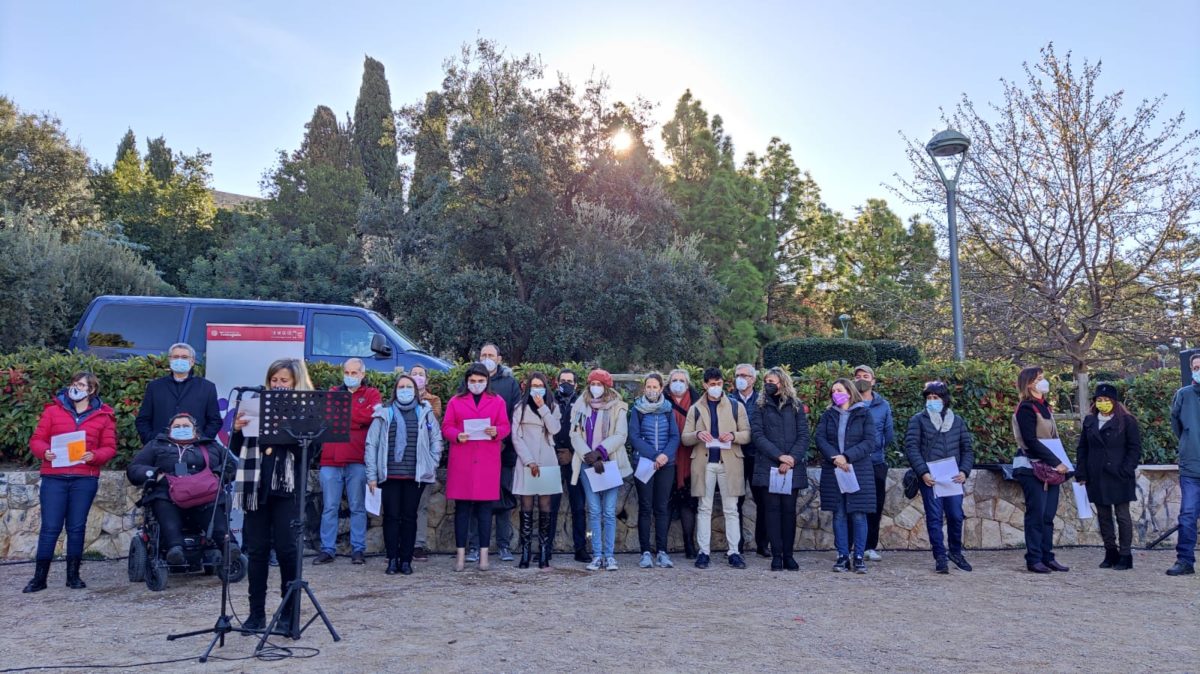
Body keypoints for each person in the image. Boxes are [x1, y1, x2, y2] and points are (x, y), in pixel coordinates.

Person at [230, 358, 315, 633]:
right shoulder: (254, 403)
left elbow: (310, 455)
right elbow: (237, 446)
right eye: (274, 380)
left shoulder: (306, 410)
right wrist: (237, 430)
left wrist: (292, 430)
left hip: (287, 491)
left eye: (284, 381)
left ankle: (288, 614)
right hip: (256, 487)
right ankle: (256, 615)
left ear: (295, 383)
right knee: (256, 551)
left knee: (288, 550)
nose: (278, 385)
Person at [24, 372, 117, 593]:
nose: (77, 388)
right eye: (74, 384)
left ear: (92, 390)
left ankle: (73, 576)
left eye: (82, 385)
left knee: (76, 527)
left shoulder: (104, 416)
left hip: (84, 478)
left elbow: (110, 447)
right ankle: (39, 578)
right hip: (54, 476)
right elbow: (37, 439)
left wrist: (94, 456)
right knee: (50, 528)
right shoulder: (52, 411)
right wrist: (44, 452)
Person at [127, 413, 232, 566]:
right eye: (177, 426)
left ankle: (229, 546)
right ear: (169, 430)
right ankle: (175, 548)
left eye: (185, 426)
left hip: (203, 493)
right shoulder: (156, 445)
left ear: (195, 431)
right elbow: (134, 469)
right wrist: (154, 474)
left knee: (213, 507)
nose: (181, 429)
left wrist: (217, 474)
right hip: (167, 494)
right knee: (163, 505)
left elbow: (231, 465)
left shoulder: (209, 446)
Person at [365, 374, 442, 575]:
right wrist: (372, 475)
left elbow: (436, 440)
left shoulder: (424, 413)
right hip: (389, 476)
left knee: (409, 518)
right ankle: (392, 559)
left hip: (414, 477)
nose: (405, 390)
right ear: (395, 390)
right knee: (390, 518)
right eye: (401, 386)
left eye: (409, 386)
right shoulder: (384, 413)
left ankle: (406, 561)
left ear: (415, 391)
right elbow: (371, 444)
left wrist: (431, 465)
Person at [442, 363, 511, 571]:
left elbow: (505, 426)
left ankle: (483, 555)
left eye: (481, 381)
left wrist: (495, 431)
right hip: (463, 460)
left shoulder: (497, 401)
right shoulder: (456, 401)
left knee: (484, 511)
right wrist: (456, 435)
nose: (476, 384)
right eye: (473, 381)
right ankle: (461, 555)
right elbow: (446, 426)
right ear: (467, 381)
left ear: (487, 381)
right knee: (462, 510)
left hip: (487, 461)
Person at [681, 367, 751, 570]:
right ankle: (704, 552)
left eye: (718, 384)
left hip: (729, 462)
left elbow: (747, 434)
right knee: (704, 509)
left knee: (731, 509)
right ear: (704, 385)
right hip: (705, 463)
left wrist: (734, 436)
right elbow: (685, 438)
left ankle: (734, 552)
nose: (715, 388)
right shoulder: (695, 408)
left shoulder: (736, 406)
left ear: (723, 384)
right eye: (711, 384)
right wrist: (697, 434)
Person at [315, 358, 381, 566]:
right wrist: (357, 418)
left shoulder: (372, 394)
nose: (350, 376)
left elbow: (370, 417)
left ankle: (358, 549)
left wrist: (345, 416)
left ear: (362, 374)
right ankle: (328, 549)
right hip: (330, 459)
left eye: (354, 373)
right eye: (347, 372)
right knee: (330, 507)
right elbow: (329, 418)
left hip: (358, 459)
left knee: (357, 506)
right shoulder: (333, 393)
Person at [904, 381, 974, 574]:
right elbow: (912, 447)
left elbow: (967, 449)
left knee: (955, 516)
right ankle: (940, 556)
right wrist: (923, 472)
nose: (932, 401)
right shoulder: (918, 420)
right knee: (934, 518)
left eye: (936, 397)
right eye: (929, 398)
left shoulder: (957, 421)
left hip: (953, 477)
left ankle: (956, 552)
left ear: (944, 399)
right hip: (931, 477)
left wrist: (964, 471)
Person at [570, 369, 631, 571]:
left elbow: (621, 435)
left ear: (606, 386)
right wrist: (589, 454)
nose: (595, 388)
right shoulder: (580, 406)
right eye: (592, 383)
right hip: (588, 464)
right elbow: (575, 434)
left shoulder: (618, 407)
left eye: (599, 384)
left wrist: (601, 452)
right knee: (594, 510)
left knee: (608, 511)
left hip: (610, 464)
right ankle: (597, 555)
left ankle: (609, 555)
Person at [1011, 366, 1071, 574]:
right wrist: (1056, 462)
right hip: (1033, 467)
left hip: (1050, 468)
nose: (1044, 382)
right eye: (1039, 379)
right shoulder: (1026, 408)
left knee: (1048, 515)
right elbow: (1031, 440)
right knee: (1036, 514)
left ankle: (1047, 556)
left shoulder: (1045, 406)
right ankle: (1034, 558)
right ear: (1029, 384)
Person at [1076, 383, 1141, 571]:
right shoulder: (1090, 421)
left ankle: (1125, 554)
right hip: (1096, 475)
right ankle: (1110, 551)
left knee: (1122, 515)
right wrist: (1082, 472)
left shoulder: (1127, 421)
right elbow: (1083, 448)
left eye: (1106, 400)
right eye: (1099, 400)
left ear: (1114, 401)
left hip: (1119, 475)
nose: (1102, 403)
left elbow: (1134, 448)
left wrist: (1127, 468)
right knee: (1104, 516)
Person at [750, 367, 810, 571]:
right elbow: (757, 435)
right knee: (772, 511)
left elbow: (803, 435)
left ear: (783, 382)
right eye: (766, 380)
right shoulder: (759, 406)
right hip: (769, 466)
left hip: (791, 466)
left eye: (772, 380)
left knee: (788, 511)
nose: (768, 383)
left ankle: (789, 555)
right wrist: (778, 456)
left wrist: (791, 458)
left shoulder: (796, 406)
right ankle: (776, 555)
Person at [815, 378, 876, 574]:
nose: (835, 394)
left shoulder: (864, 413)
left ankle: (858, 556)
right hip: (834, 470)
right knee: (839, 514)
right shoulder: (828, 415)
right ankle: (842, 555)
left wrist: (847, 457)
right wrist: (836, 458)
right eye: (833, 391)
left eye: (839, 390)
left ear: (849, 392)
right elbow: (820, 439)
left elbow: (869, 441)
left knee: (858, 514)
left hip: (857, 470)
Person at [467, 343, 521, 563]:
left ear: (499, 358)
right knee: (474, 500)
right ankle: (474, 546)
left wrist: (502, 440)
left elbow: (515, 417)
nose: (487, 358)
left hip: (503, 452)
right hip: (476, 454)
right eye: (483, 355)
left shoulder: (510, 383)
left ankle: (504, 545)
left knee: (504, 500)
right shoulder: (471, 383)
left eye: (491, 355)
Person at [511, 371, 562, 569]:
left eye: (540, 385)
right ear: (527, 388)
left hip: (548, 460)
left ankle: (543, 552)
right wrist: (529, 461)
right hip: (526, 461)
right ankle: (525, 552)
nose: (537, 389)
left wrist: (543, 409)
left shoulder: (553, 406)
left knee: (546, 507)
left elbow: (555, 429)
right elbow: (516, 437)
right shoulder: (519, 408)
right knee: (526, 506)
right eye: (534, 385)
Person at [629, 372, 680, 569]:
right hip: (644, 463)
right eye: (648, 387)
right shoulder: (637, 410)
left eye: (655, 387)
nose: (651, 390)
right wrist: (653, 455)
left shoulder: (668, 409)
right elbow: (634, 437)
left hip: (666, 464)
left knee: (662, 508)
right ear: (644, 389)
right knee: (645, 507)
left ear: (661, 388)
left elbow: (674, 436)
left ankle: (662, 552)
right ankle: (645, 553)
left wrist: (664, 455)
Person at [135, 342, 222, 444]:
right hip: (160, 448)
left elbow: (215, 421)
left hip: (195, 449)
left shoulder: (207, 387)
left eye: (184, 357)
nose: (180, 360)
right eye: (175, 357)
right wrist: (152, 440)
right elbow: (143, 419)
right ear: (170, 360)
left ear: (192, 361)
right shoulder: (155, 387)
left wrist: (201, 441)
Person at [851, 365, 893, 563]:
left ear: (873, 380)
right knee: (851, 504)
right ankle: (851, 546)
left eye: (865, 376)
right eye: (857, 376)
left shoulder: (883, 405)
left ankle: (870, 547)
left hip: (876, 462)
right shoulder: (847, 402)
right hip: (852, 462)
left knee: (875, 506)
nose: (861, 379)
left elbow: (889, 434)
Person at [549, 368, 589, 563]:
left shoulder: (583, 404)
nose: (566, 384)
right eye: (562, 380)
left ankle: (580, 548)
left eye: (570, 381)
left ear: (576, 384)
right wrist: (554, 453)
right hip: (553, 459)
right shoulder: (549, 402)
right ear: (556, 383)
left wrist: (573, 454)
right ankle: (545, 548)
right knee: (550, 506)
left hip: (575, 460)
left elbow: (586, 433)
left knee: (578, 506)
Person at [1166, 353, 1200, 576]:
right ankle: (1185, 560)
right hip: (1192, 467)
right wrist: (1190, 442)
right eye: (1196, 366)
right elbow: (1175, 423)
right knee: (1188, 514)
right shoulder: (1184, 395)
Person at [732, 363, 768, 558]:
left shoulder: (762, 400)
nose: (740, 378)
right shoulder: (729, 400)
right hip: (735, 455)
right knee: (736, 500)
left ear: (753, 379)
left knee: (762, 501)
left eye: (744, 375)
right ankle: (736, 544)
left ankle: (762, 544)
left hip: (758, 455)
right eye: (738, 375)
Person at [666, 368, 701, 559]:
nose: (678, 384)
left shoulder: (697, 403)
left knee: (689, 503)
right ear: (669, 384)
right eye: (674, 380)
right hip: (668, 458)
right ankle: (661, 545)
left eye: (682, 380)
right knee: (665, 503)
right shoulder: (662, 401)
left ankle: (689, 543)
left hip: (690, 458)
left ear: (687, 384)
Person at [409, 364, 441, 562]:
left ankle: (418, 544)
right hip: (403, 461)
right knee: (403, 506)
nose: (418, 377)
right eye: (414, 374)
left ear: (426, 380)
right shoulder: (397, 400)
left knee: (420, 506)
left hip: (425, 460)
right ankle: (400, 543)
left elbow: (433, 423)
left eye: (421, 374)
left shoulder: (434, 401)